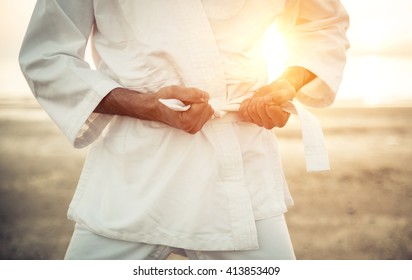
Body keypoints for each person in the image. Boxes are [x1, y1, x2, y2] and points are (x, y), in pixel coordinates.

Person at [19, 0, 349, 260]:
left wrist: (286, 84)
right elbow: (46, 55)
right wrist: (144, 104)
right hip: (131, 179)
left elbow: (323, 24)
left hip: (240, 176)